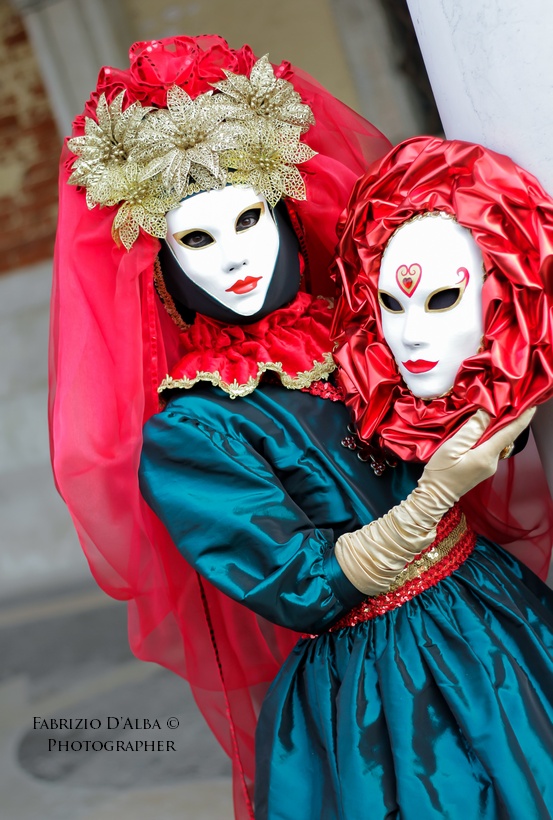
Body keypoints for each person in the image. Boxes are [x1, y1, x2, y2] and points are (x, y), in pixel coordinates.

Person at [49, 38, 551, 818]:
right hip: (384, 695)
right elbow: (305, 585)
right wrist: (436, 493)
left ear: (285, 210)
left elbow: (466, 391)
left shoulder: (361, 327)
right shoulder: (192, 433)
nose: (234, 259)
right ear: (161, 259)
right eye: (197, 239)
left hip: (497, 612)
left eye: (248, 219)